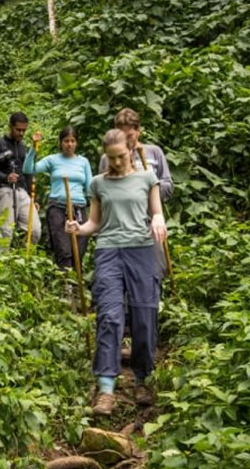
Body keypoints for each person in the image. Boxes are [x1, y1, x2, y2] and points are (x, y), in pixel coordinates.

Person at [66, 129, 168, 416]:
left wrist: (159, 221)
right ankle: (107, 388)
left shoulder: (147, 178)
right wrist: (78, 228)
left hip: (142, 250)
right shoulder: (99, 183)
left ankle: (142, 379)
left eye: (121, 156)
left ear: (131, 150)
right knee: (110, 315)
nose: (117, 163)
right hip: (109, 251)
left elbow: (156, 211)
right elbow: (94, 223)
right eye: (111, 158)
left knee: (144, 315)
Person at [98, 108, 174, 279]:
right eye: (122, 135)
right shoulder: (107, 159)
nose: (127, 140)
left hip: (150, 223)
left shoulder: (154, 152)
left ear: (138, 131)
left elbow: (169, 185)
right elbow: (103, 193)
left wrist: (149, 190)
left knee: (157, 268)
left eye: (130, 135)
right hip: (120, 226)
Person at [24, 126, 93, 270]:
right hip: (58, 208)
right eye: (66, 141)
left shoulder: (83, 162)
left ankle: (76, 287)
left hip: (79, 208)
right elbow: (28, 169)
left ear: (76, 143)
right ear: (61, 143)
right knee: (64, 249)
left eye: (72, 141)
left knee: (79, 251)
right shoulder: (53, 160)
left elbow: (90, 188)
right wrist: (33, 148)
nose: (69, 144)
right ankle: (65, 286)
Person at [0, 112, 41, 244]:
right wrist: (6, 177)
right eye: (18, 130)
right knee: (4, 231)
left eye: (24, 130)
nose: (21, 133)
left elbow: (28, 173)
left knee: (35, 230)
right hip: (2, 189)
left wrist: (34, 198)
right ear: (10, 127)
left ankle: (23, 260)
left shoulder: (23, 147)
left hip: (22, 190)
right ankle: (0, 262)